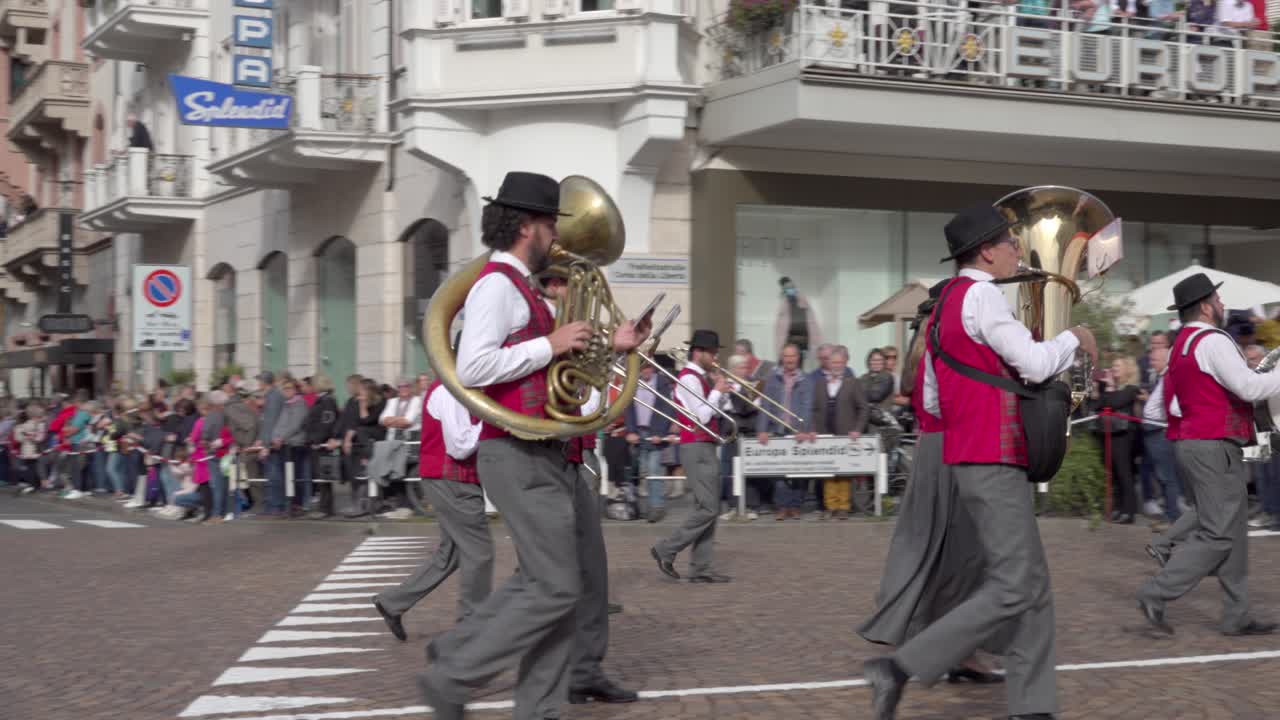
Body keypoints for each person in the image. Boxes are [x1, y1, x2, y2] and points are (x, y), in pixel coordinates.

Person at [415, 171, 650, 720]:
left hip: (547, 451)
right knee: (554, 588)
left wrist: (612, 347)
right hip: (518, 453)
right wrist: (551, 342)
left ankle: (538, 710)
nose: (555, 237)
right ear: (528, 226)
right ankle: (452, 675)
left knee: (561, 594)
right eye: (551, 224)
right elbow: (473, 367)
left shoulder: (524, 288)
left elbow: (550, 369)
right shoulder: (498, 284)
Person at [863, 204, 1098, 720]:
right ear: (987, 251)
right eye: (1012, 243)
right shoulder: (984, 296)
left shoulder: (945, 301)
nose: (1019, 251)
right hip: (994, 456)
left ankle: (1034, 707)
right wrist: (1072, 339)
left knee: (1032, 583)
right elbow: (1035, 364)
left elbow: (929, 397)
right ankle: (900, 667)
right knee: (1016, 584)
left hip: (968, 455)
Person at [858, 280, 1003, 683]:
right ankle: (948, 649)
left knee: (933, 546)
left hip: (931, 447)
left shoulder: (922, 349)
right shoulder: (947, 346)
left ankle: (951, 646)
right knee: (965, 550)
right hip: (953, 446)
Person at [1136, 272, 1280, 638]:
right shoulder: (1214, 341)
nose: (1222, 304)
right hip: (1214, 445)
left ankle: (1237, 614)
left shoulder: (1182, 342)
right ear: (1204, 306)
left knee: (1233, 533)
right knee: (1219, 536)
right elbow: (1248, 388)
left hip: (1196, 443)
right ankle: (1156, 592)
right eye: (1217, 299)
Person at [373, 380, 488, 636]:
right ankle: (472, 630)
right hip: (452, 477)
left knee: (452, 553)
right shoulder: (451, 389)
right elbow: (461, 445)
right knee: (479, 552)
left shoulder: (453, 388)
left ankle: (393, 602)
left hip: (451, 477)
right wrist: (492, 421)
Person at [651, 329, 733, 582]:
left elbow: (717, 412)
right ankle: (666, 548)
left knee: (708, 507)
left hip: (705, 444)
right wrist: (717, 391)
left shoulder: (701, 377)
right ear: (699, 352)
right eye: (713, 352)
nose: (716, 356)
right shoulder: (689, 379)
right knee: (709, 508)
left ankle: (701, 568)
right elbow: (702, 416)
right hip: (696, 444)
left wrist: (723, 394)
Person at [808, 346, 869, 520]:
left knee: (844, 472)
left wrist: (857, 429)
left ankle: (843, 506)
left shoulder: (853, 382)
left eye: (840, 362)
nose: (836, 365)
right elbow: (813, 409)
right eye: (833, 362)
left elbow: (863, 408)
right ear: (829, 363)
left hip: (846, 434)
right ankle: (830, 506)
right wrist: (812, 428)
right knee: (828, 471)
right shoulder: (820, 384)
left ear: (845, 363)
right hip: (824, 434)